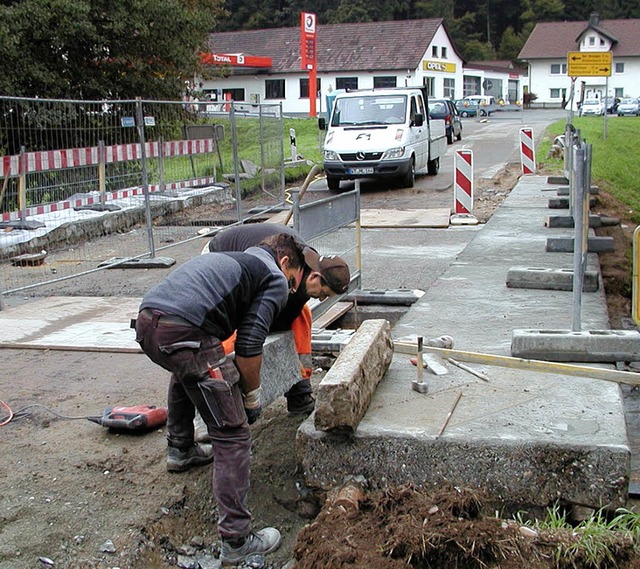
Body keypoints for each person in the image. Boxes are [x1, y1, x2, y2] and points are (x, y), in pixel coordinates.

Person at [134, 233, 305, 565]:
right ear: (285, 263)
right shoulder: (272, 276)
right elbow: (249, 345)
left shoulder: (237, 260)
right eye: (294, 281)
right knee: (232, 434)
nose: (291, 290)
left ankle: (181, 449)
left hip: (148, 323)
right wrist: (251, 398)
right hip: (185, 331)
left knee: (187, 369)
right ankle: (237, 540)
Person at [202, 223, 351, 414]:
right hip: (219, 255)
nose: (321, 299)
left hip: (255, 263)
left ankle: (299, 392)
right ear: (315, 276)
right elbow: (258, 323)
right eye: (323, 293)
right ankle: (216, 386)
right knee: (232, 327)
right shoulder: (287, 269)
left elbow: (286, 318)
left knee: (302, 316)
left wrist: (289, 360)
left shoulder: (306, 269)